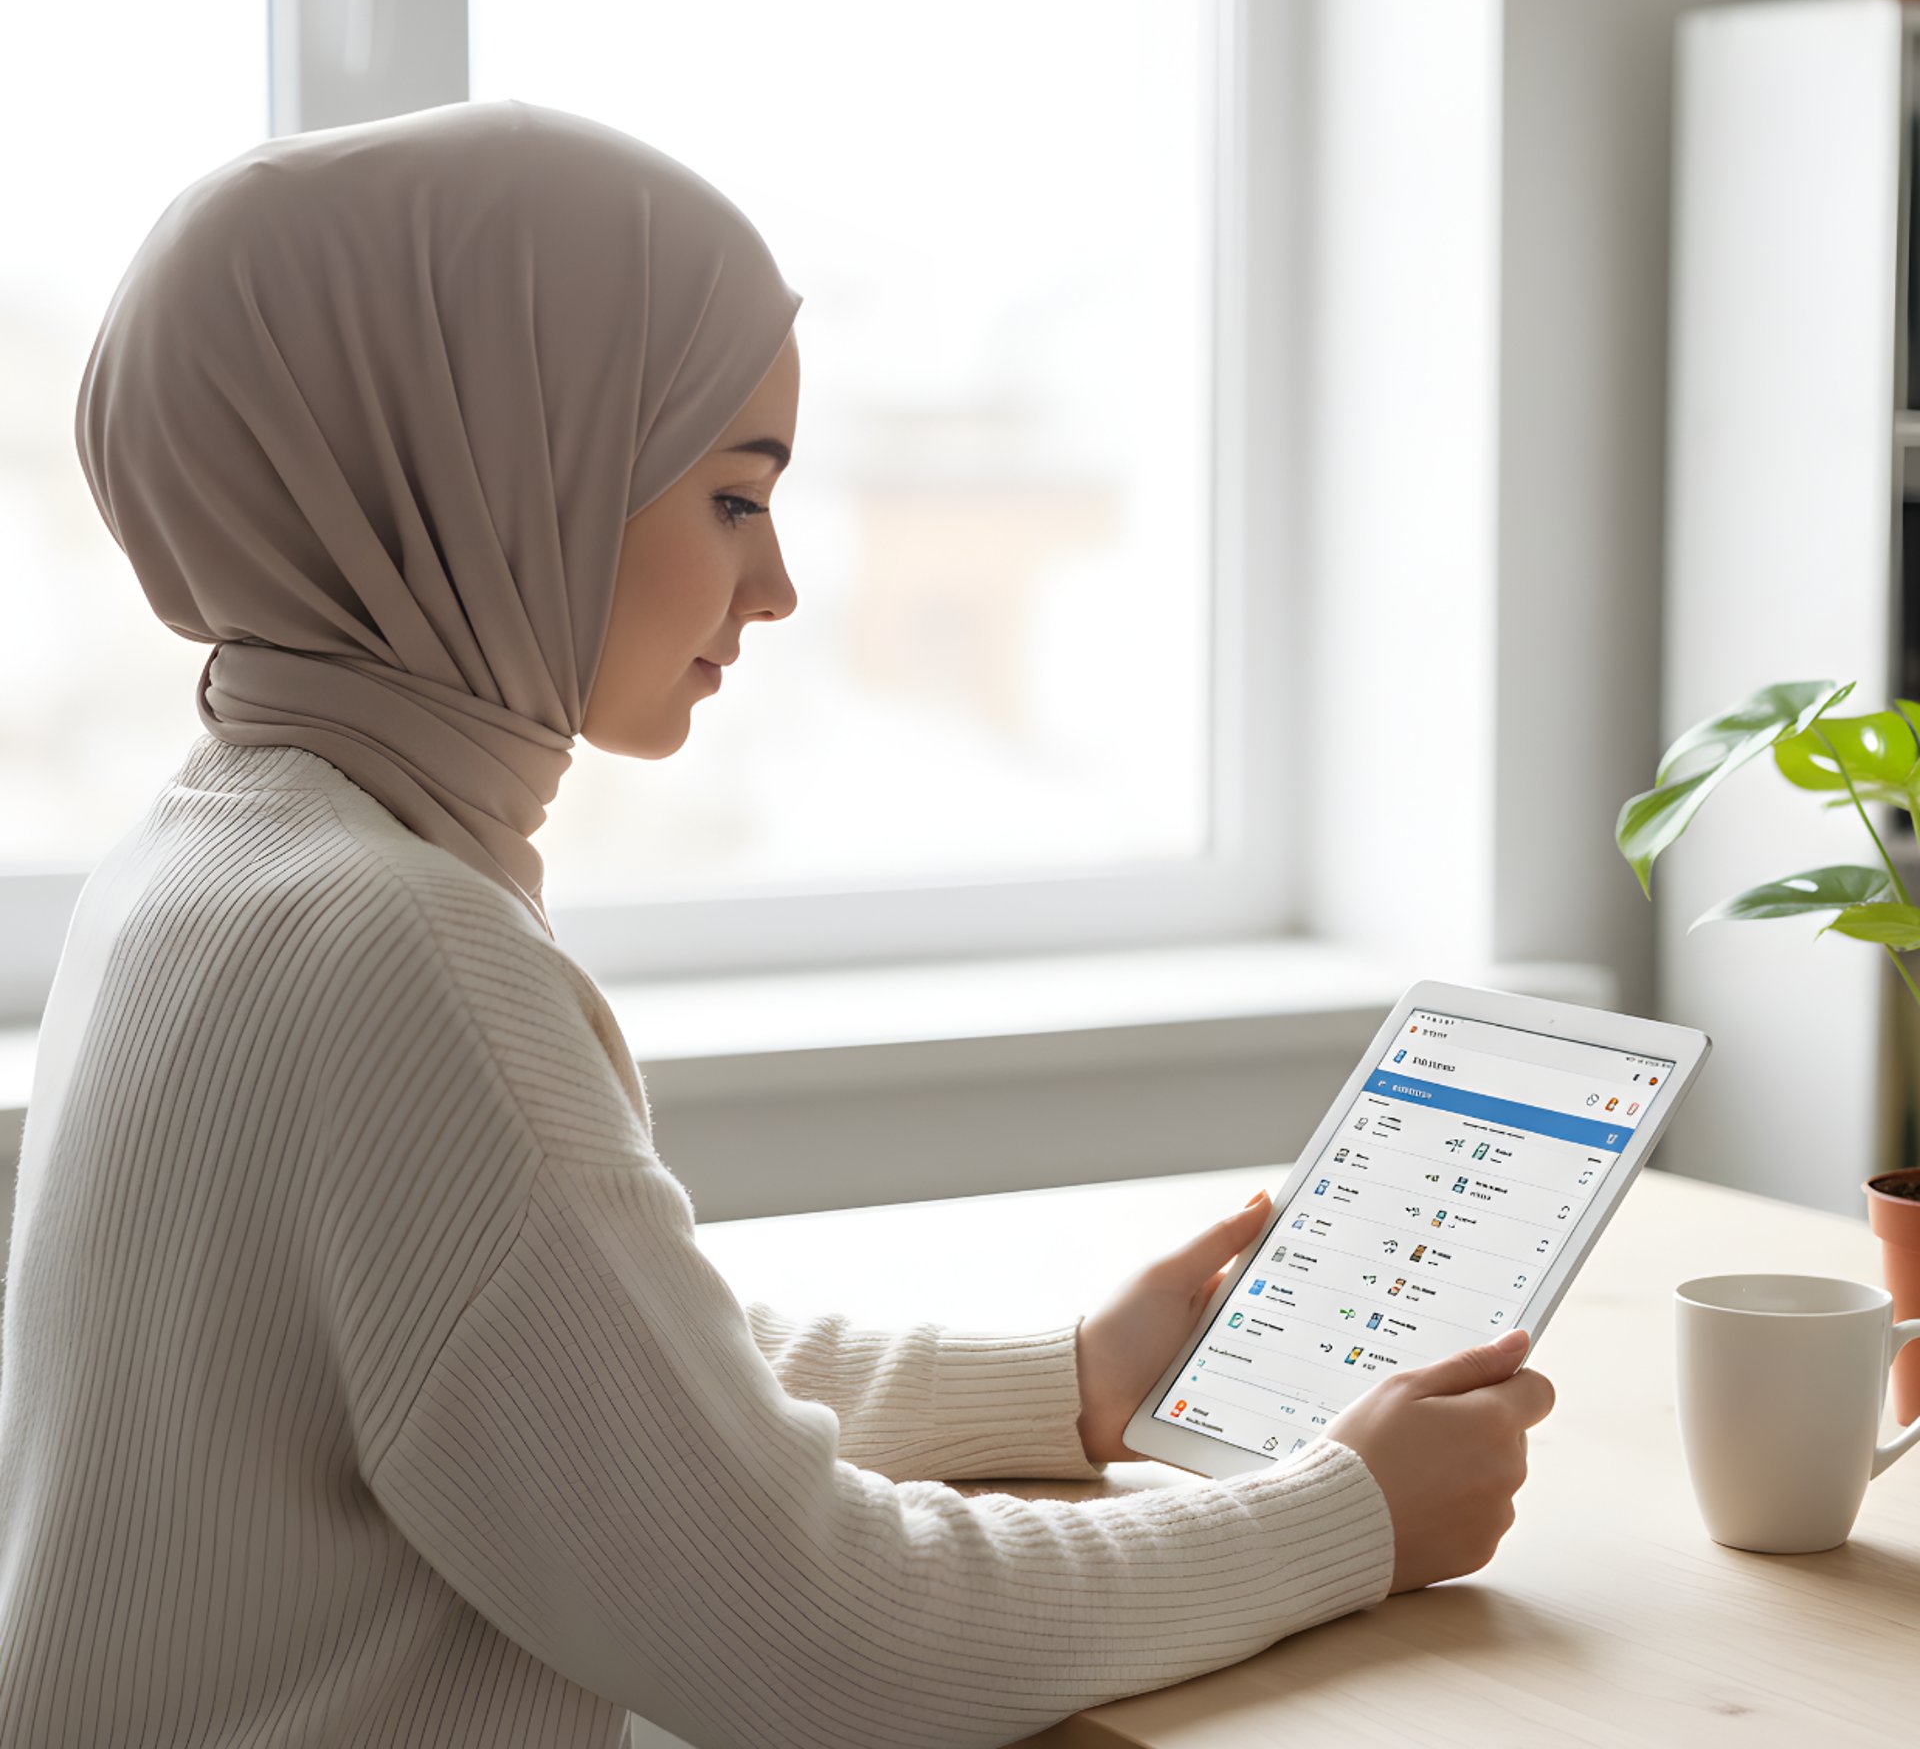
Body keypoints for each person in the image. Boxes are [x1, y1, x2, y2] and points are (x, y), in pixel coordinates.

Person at [0, 99, 1553, 1749]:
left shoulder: (200, 866)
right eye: (735, 500)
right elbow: (826, 1640)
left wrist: (1064, 1383)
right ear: (509, 480)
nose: (779, 585)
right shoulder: (392, 950)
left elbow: (587, 1364)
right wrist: (1346, 1522)